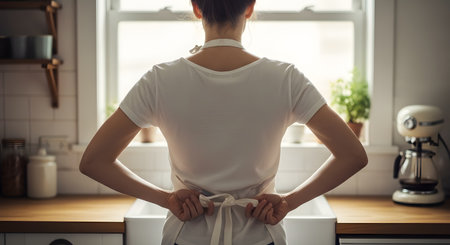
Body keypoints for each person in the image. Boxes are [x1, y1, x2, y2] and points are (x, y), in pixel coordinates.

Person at [79, 0, 368, 244]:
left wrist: (166, 199)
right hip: (261, 236)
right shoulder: (286, 79)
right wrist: (288, 201)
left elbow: (93, 161)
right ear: (250, 7)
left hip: (186, 236)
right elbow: (353, 155)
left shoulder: (159, 80)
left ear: (196, 8)